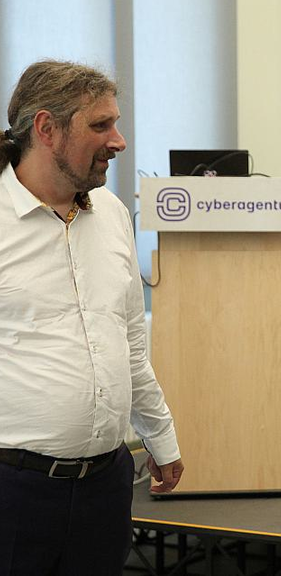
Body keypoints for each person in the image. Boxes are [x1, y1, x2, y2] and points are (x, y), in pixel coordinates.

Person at [0, 60, 184, 575]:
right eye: (101, 125)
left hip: (106, 487)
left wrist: (160, 438)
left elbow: (128, 345)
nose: (119, 140)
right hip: (13, 492)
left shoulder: (113, 216)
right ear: (46, 128)